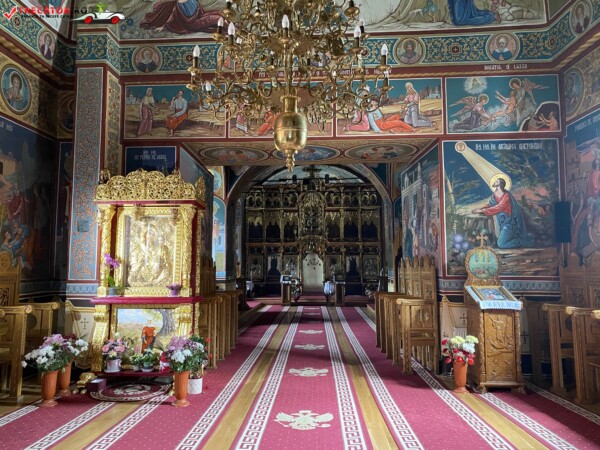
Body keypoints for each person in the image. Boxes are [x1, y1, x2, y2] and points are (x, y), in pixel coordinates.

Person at [471, 177, 533, 249]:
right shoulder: (494, 195)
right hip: (501, 224)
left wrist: (482, 211)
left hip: (509, 224)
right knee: (500, 242)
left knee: (501, 244)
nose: (494, 182)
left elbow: (499, 207)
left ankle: (521, 241)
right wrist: (480, 209)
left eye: (496, 181)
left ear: (500, 184)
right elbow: (490, 204)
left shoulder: (506, 196)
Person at [140, 0, 223, 34]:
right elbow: (172, 18)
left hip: (200, 18)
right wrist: (164, 27)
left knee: (219, 13)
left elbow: (201, 13)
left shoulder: (192, 0)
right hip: (193, 24)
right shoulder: (177, 5)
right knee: (217, 19)